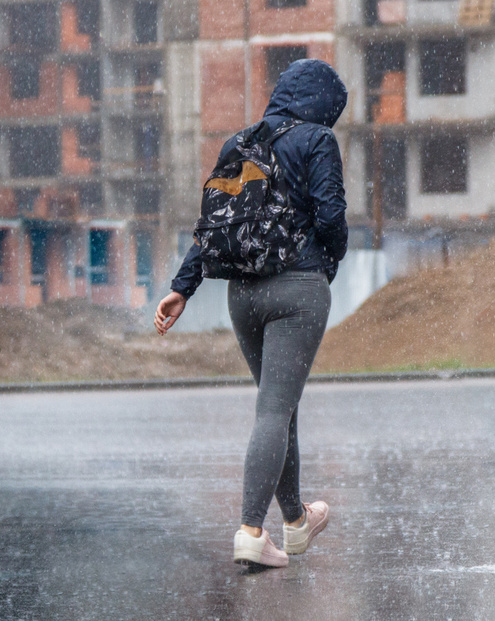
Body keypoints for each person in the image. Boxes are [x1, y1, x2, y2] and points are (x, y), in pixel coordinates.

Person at [153, 59, 348, 568]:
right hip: (297, 289)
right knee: (275, 410)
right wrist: (324, 266)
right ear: (326, 105)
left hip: (243, 295)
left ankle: (298, 524)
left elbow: (213, 224)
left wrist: (182, 287)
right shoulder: (317, 141)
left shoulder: (239, 143)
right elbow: (331, 216)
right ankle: (250, 530)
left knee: (278, 405)